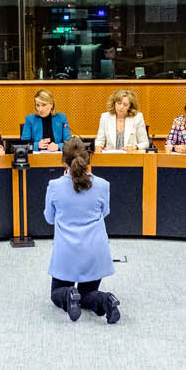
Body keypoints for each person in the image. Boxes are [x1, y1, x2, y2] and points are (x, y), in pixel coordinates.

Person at [44, 138, 120, 324]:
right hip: (95, 253)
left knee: (56, 294)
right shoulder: (103, 185)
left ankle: (70, 293)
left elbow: (49, 218)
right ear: (88, 160)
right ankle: (106, 300)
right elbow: (105, 213)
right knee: (88, 295)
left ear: (64, 162)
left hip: (67, 253)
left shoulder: (54, 186)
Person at [94, 88, 150, 153]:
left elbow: (145, 143)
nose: (121, 107)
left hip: (131, 158)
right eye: (119, 103)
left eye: (125, 105)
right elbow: (99, 141)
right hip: (109, 158)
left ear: (130, 106)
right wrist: (100, 146)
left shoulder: (137, 117)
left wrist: (134, 147)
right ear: (114, 103)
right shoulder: (105, 117)